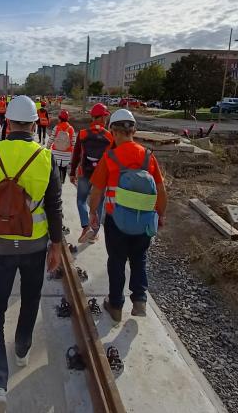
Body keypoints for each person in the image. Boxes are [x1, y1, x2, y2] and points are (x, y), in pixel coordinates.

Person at [0, 95, 63, 412]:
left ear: (7, 122)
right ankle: (22, 348)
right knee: (31, 298)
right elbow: (54, 206)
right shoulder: (45, 157)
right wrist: (57, 246)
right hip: (35, 245)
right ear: (35, 124)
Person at [88, 109, 167, 323]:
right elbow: (160, 189)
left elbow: (97, 191)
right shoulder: (149, 156)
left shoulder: (110, 156)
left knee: (116, 262)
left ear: (113, 130)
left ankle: (115, 306)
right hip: (143, 220)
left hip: (116, 222)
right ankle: (140, 299)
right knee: (139, 259)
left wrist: (92, 212)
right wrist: (159, 216)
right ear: (134, 130)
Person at [69, 102, 113, 244]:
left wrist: (72, 172)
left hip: (84, 173)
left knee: (81, 200)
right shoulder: (109, 137)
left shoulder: (82, 134)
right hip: (101, 177)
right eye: (105, 118)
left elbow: (76, 155)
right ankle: (94, 233)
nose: (106, 120)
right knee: (99, 202)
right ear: (101, 118)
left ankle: (85, 225)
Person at [47, 109, 75, 184]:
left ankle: (56, 181)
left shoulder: (56, 127)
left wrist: (47, 147)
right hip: (66, 153)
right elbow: (73, 142)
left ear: (59, 118)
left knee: (56, 167)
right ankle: (62, 181)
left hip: (56, 152)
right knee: (64, 167)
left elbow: (51, 138)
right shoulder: (71, 129)